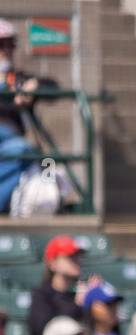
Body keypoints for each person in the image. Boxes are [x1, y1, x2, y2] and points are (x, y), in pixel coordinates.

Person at [0, 20, 55, 213]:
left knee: (46, 162)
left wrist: (34, 86)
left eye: (10, 44)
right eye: (0, 44)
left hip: (13, 143)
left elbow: (53, 86)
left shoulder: (17, 78)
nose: (6, 50)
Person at [26, 235, 86, 335]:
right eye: (70, 256)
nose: (76, 260)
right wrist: (77, 305)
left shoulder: (78, 293)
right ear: (52, 263)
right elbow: (45, 331)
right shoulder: (41, 295)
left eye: (77, 256)